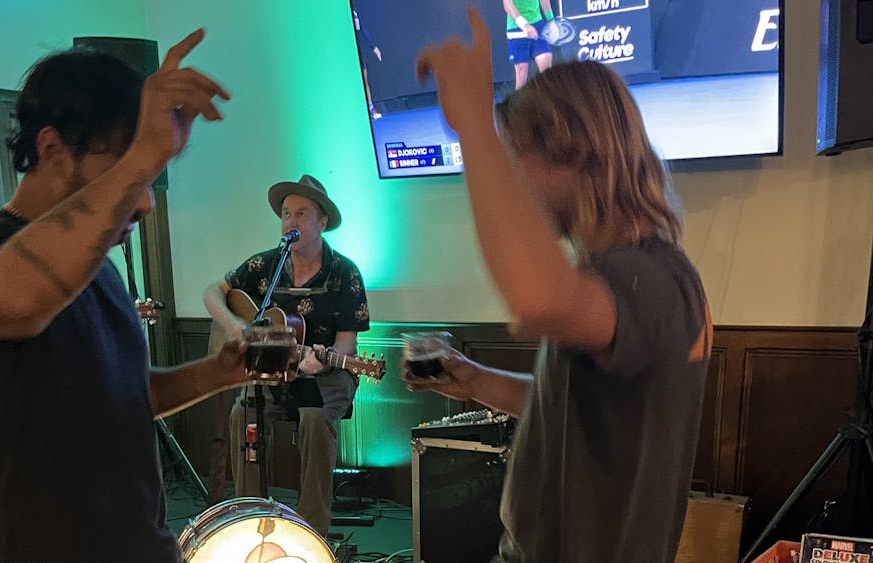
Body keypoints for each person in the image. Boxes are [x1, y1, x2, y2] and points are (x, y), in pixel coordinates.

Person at [0, 30, 246, 562]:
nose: (145, 203)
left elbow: (128, 396)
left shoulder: (97, 268)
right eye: (125, 172)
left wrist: (222, 370)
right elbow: (6, 304)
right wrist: (143, 153)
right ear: (51, 148)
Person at [412, 8, 711, 562]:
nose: (514, 179)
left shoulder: (649, 278)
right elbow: (562, 408)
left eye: (516, 157)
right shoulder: (618, 278)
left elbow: (535, 300)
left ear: (569, 146)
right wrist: (472, 379)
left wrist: (474, 125)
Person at [204, 174, 370, 537]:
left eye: (301, 214)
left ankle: (311, 534)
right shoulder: (265, 265)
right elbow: (212, 294)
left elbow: (347, 346)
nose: (290, 222)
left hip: (326, 374)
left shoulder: (345, 273)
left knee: (313, 418)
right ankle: (251, 524)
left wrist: (321, 360)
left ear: (322, 222)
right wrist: (235, 328)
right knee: (242, 414)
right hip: (270, 373)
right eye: (285, 213)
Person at [503, 0, 558, 89]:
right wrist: (524, 25)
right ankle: (519, 102)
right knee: (521, 70)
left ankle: (548, 99)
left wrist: (551, 21)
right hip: (516, 27)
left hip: (537, 24)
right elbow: (508, 5)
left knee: (546, 60)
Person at [354, 8, 384, 119]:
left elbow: (362, 30)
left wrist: (374, 48)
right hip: (344, 52)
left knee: (364, 80)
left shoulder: (355, 12)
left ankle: (371, 109)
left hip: (358, 50)